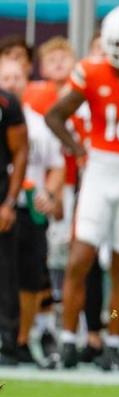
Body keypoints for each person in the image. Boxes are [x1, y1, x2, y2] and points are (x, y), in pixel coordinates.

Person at [45, 5, 119, 370]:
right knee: (80, 260)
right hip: (99, 169)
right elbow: (55, 115)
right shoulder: (91, 70)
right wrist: (79, 149)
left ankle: (114, 338)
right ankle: (69, 338)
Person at [0, 59, 65, 367]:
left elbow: (56, 166)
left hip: (28, 210)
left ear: (26, 80)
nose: (12, 82)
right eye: (6, 77)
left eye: (16, 77)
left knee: (29, 278)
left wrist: (50, 194)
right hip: (9, 203)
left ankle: (21, 340)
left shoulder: (39, 123)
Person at [0, 82, 28, 366]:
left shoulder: (6, 103)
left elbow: (20, 151)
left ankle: (9, 343)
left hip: (0, 199)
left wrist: (9, 202)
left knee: (5, 274)